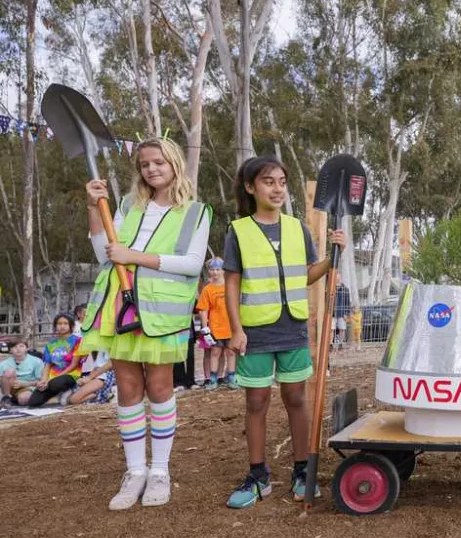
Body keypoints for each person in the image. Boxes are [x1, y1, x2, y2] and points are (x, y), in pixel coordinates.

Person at [81, 137, 211, 510]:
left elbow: (191, 263)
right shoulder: (128, 205)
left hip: (161, 314)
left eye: (158, 162)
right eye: (144, 164)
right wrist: (94, 208)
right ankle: (135, 471)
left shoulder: (197, 212)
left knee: (159, 387)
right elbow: (104, 253)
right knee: (127, 388)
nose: (151, 169)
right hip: (121, 308)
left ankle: (160, 472)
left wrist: (134, 256)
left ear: (174, 164)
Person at [223, 155, 345, 508]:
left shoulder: (296, 228)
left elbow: (306, 274)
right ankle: (258, 475)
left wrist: (333, 255)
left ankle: (303, 470)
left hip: (293, 328)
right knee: (256, 401)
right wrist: (236, 329)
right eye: (267, 181)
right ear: (250, 187)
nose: (276, 188)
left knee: (297, 399)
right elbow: (231, 285)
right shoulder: (239, 231)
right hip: (256, 332)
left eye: (281, 181)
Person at [27, 313, 83, 407]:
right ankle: (58, 396)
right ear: (55, 326)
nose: (62, 326)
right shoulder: (51, 344)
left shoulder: (78, 341)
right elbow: (48, 365)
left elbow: (74, 364)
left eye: (65, 323)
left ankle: (69, 391)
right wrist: (44, 380)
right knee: (33, 402)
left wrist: (53, 379)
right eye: (59, 323)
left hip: (71, 375)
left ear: (71, 326)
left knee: (57, 383)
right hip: (52, 378)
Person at [197, 257, 235, 389]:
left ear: (223, 271)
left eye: (218, 269)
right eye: (212, 269)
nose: (215, 272)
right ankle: (213, 379)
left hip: (230, 327)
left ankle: (231, 377)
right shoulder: (208, 289)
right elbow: (203, 309)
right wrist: (205, 328)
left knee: (230, 353)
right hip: (215, 329)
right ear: (208, 271)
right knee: (215, 353)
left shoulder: (230, 286)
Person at [0, 340, 44, 408]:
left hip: (27, 387)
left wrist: (23, 384)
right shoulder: (3, 364)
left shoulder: (37, 361)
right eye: (14, 347)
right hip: (8, 388)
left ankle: (14, 399)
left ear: (27, 348)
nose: (18, 349)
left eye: (21, 346)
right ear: (10, 350)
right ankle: (7, 397)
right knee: (9, 371)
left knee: (25, 400)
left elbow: (40, 381)